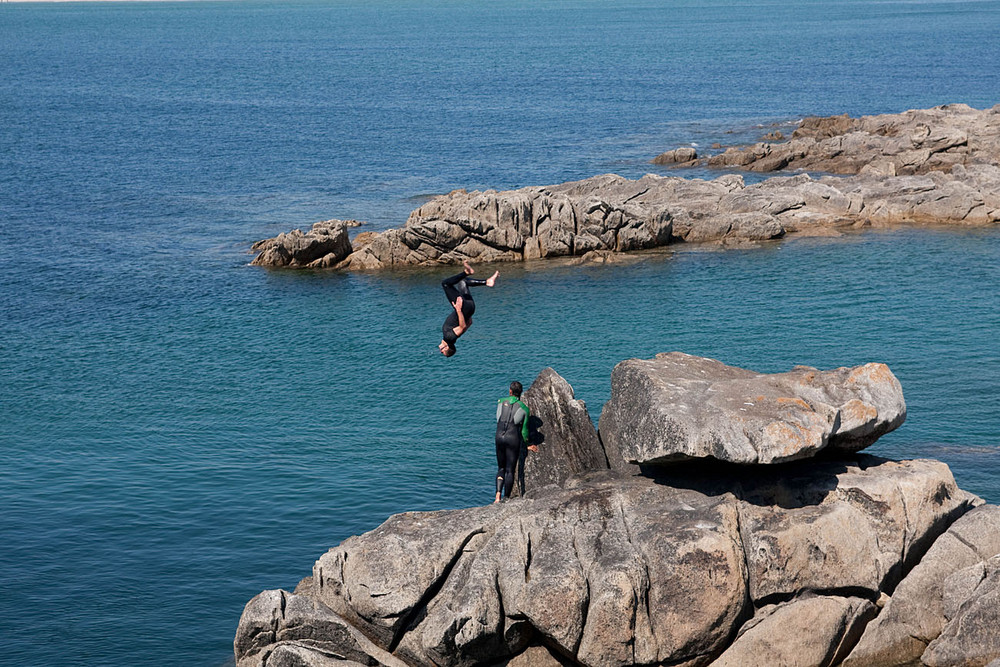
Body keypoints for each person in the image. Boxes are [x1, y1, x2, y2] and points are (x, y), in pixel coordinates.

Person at [438, 260, 498, 357]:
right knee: (446, 284)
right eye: (443, 352)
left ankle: (487, 282)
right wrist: (458, 309)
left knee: (463, 282)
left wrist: (467, 317)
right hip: (463, 308)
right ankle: (466, 272)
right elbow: (462, 327)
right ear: (447, 347)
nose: (440, 351)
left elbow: (468, 324)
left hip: (470, 308)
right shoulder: (449, 338)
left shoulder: (452, 337)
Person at [494, 381, 536, 503]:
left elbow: (498, 418)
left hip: (499, 437)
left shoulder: (500, 402)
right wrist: (528, 444)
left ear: (510, 391)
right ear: (520, 394)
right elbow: (524, 432)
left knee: (501, 468)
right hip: (512, 439)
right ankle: (506, 498)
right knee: (510, 470)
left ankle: (497, 497)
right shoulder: (525, 409)